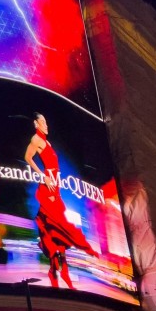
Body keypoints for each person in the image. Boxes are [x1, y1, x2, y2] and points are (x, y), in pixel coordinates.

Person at [23, 113, 98, 289]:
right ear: (36, 123)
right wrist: (44, 177)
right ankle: (58, 272)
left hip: (55, 187)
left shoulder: (47, 142)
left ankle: (58, 271)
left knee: (58, 231)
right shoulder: (36, 139)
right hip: (48, 186)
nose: (46, 125)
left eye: (46, 121)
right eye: (42, 122)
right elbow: (27, 157)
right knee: (57, 226)